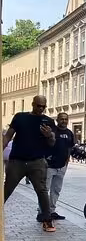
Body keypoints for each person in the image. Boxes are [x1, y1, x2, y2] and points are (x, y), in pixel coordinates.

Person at [3, 95, 57, 232]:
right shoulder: (20, 117)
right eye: (38, 106)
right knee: (6, 190)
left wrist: (49, 135)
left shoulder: (48, 121)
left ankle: (47, 220)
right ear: (32, 104)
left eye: (43, 106)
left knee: (42, 191)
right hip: (17, 161)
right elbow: (8, 136)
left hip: (37, 162)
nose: (41, 109)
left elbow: (52, 143)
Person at [37, 112, 76, 221]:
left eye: (66, 119)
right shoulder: (52, 131)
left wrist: (67, 161)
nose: (64, 121)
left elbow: (69, 148)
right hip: (49, 166)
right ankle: (41, 212)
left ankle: (52, 211)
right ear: (57, 120)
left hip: (62, 166)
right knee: (45, 190)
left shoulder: (69, 133)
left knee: (56, 190)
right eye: (62, 119)